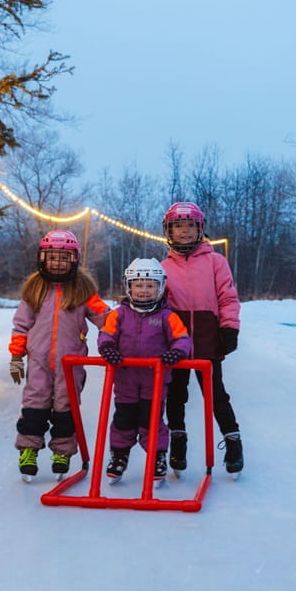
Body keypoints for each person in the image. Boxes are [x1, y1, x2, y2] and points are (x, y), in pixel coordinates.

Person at [8, 230, 110, 481]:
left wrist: (128, 331)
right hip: (39, 361)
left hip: (70, 363)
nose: (57, 262)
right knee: (35, 404)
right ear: (42, 259)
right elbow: (21, 325)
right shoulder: (35, 289)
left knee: (66, 407)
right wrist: (16, 356)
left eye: (64, 258)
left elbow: (107, 319)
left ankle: (62, 452)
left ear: (74, 260)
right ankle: (28, 450)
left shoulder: (83, 291)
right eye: (52, 257)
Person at [161, 202, 243, 475]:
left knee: (215, 394)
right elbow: (154, 301)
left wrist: (229, 327)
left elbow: (228, 297)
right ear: (169, 231)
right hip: (176, 340)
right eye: (178, 227)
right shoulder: (162, 267)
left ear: (200, 230)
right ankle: (178, 441)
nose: (184, 232)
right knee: (175, 394)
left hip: (208, 337)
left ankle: (233, 442)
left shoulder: (215, 262)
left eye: (189, 226)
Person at [97, 258, 192, 481]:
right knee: (123, 419)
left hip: (155, 381)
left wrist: (177, 352)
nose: (144, 291)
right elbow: (105, 335)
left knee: (150, 421)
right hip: (125, 379)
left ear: (160, 288)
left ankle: (157, 457)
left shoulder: (167, 316)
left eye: (150, 286)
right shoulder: (118, 314)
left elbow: (183, 339)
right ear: (129, 287)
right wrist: (108, 348)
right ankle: (119, 455)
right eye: (139, 285)